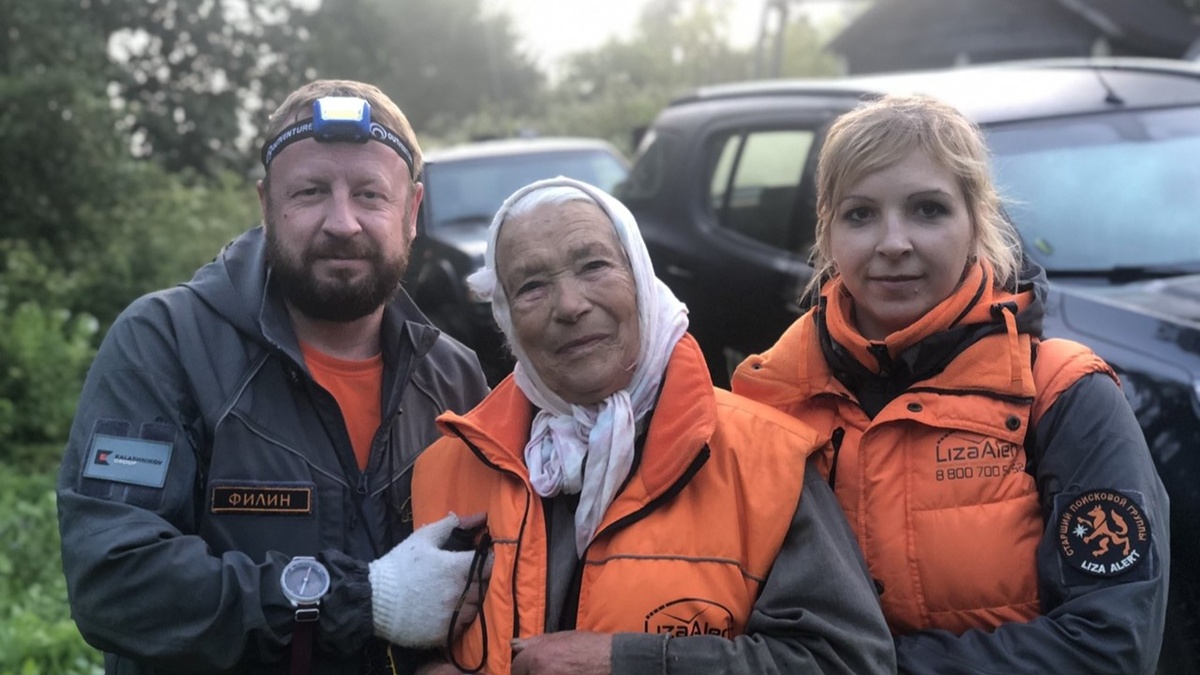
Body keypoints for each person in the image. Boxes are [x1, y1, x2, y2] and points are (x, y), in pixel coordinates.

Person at [56, 80, 491, 673]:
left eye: (370, 194)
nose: (343, 222)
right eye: (311, 192)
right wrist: (361, 601)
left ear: (412, 212)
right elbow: (115, 581)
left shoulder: (454, 377)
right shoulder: (166, 344)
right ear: (265, 205)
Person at [731, 94, 1171, 673]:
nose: (893, 242)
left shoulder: (1064, 393)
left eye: (928, 210)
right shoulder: (764, 402)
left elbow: (1112, 644)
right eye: (860, 214)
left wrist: (871, 666)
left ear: (975, 221)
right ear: (828, 233)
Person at [410, 176, 897, 675]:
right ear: (505, 316)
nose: (570, 305)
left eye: (594, 265)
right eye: (532, 286)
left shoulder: (765, 462)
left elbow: (848, 662)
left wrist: (627, 663)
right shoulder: (447, 469)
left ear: (641, 279)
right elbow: (395, 639)